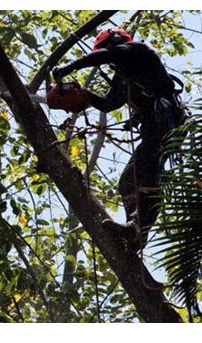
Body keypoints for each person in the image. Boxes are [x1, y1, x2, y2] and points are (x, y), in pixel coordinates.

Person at [52, 27, 185, 251]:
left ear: (116, 42)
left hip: (166, 119)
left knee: (146, 172)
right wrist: (85, 95)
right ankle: (135, 231)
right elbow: (109, 103)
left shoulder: (138, 51)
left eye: (108, 50)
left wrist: (70, 67)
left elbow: (107, 55)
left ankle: (137, 227)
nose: (111, 62)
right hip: (154, 125)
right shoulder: (123, 76)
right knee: (128, 181)